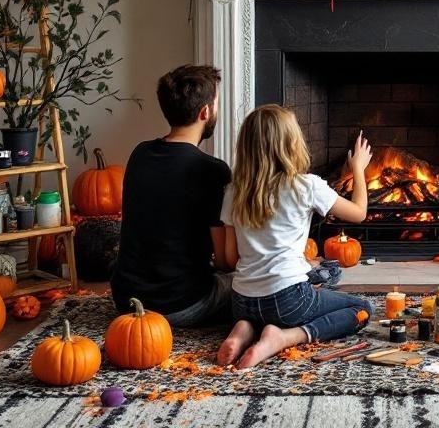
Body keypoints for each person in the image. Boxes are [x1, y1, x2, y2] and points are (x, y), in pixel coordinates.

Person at [217, 105, 374, 368]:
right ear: (291, 143)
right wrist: (358, 168)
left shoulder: (234, 191)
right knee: (361, 310)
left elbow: (232, 258)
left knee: (270, 304)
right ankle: (284, 337)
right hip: (287, 300)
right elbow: (358, 212)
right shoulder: (305, 185)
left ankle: (243, 329)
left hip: (242, 301)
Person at [110, 64, 234, 326]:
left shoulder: (139, 154)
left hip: (126, 301)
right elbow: (224, 260)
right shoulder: (213, 170)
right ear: (205, 112)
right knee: (248, 285)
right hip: (181, 305)